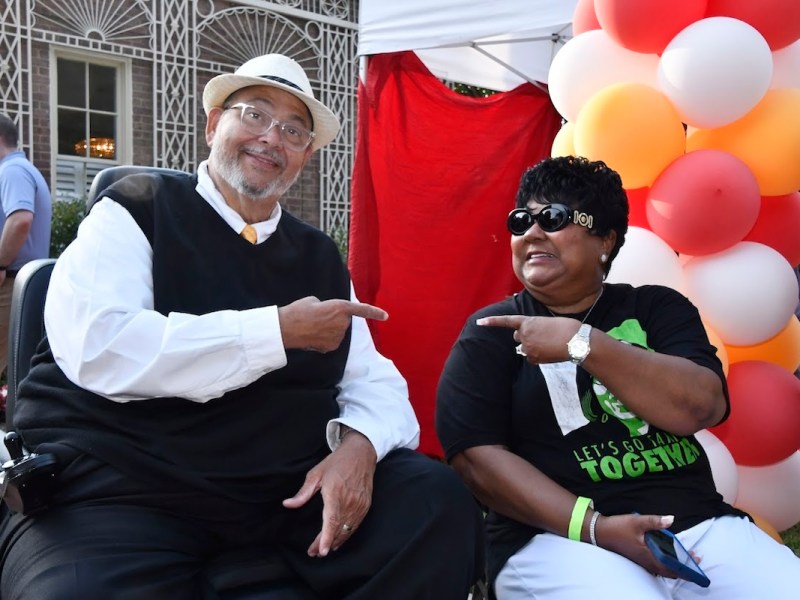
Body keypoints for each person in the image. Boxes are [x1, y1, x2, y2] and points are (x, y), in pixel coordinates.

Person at [0, 54, 485, 599]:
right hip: (124, 491)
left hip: (276, 500)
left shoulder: (319, 258)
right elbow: (101, 346)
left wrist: (361, 447)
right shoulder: (136, 210)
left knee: (434, 504)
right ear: (213, 125)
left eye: (294, 130)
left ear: (304, 156)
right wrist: (277, 331)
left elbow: (376, 383)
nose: (271, 138)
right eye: (254, 114)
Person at [436, 156, 800, 600]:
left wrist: (583, 343)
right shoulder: (492, 332)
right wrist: (595, 528)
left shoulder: (656, 309)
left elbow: (702, 405)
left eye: (552, 218)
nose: (531, 233)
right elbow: (475, 458)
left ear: (604, 240)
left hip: (694, 526)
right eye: (521, 221)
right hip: (557, 537)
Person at [0, 114, 52, 380]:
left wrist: (0, 263)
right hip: (17, 280)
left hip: (9, 282)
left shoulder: (11, 171)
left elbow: (20, 219)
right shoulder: (22, 169)